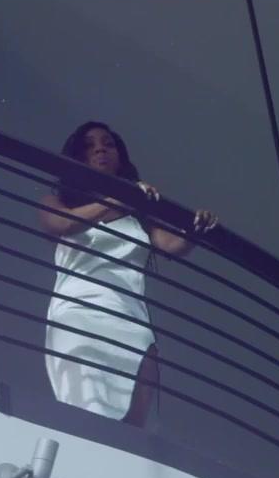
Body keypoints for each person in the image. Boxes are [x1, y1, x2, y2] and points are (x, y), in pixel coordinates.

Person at [37, 121, 218, 428]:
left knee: (131, 431)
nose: (100, 149)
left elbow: (170, 245)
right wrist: (118, 198)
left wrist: (196, 228)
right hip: (78, 315)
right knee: (87, 413)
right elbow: (61, 224)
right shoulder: (58, 202)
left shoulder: (138, 217)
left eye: (108, 144)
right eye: (89, 146)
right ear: (78, 158)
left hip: (132, 323)